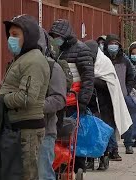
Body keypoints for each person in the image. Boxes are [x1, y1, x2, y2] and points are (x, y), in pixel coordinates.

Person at [0, 15, 50, 180]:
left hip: (27, 131)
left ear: (29, 36)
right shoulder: (22, 59)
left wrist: (1, 100)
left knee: (26, 175)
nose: (11, 39)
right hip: (16, 127)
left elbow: (27, 97)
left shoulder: (33, 61)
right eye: (10, 34)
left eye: (16, 34)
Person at [49, 19, 94, 175]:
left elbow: (88, 78)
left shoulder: (82, 50)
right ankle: (59, 166)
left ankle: (76, 167)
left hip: (74, 101)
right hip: (59, 100)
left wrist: (83, 100)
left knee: (74, 137)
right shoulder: (54, 50)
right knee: (59, 137)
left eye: (58, 36)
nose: (56, 39)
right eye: (53, 36)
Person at [85, 40, 132, 170]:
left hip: (105, 105)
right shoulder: (86, 63)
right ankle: (89, 158)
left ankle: (103, 156)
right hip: (91, 104)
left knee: (102, 133)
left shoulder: (104, 63)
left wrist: (94, 80)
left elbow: (110, 84)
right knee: (89, 132)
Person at [37, 28, 67, 180]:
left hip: (44, 130)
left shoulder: (52, 67)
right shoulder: (15, 66)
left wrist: (35, 106)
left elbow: (59, 99)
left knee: (43, 174)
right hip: (17, 132)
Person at [103, 34, 135, 157]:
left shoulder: (124, 60)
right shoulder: (103, 59)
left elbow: (131, 76)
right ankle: (113, 149)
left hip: (122, 95)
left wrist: (126, 89)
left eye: (116, 44)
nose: (114, 46)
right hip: (107, 96)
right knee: (109, 122)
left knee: (124, 120)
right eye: (111, 44)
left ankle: (128, 144)